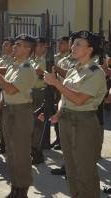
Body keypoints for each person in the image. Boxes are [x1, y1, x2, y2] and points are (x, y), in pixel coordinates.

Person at [44, 30, 106, 197]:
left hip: (84, 123)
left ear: (90, 49)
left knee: (85, 172)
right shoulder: (74, 69)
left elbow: (79, 100)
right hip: (66, 120)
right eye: (73, 43)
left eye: (78, 44)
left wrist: (55, 82)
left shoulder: (95, 72)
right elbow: (65, 97)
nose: (73, 47)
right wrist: (58, 113)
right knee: (71, 170)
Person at [0, 34, 37, 197]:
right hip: (9, 110)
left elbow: (10, 89)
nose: (14, 47)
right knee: (11, 152)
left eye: (18, 45)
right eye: (15, 44)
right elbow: (5, 91)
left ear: (27, 49)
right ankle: (15, 186)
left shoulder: (27, 68)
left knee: (21, 152)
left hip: (21, 112)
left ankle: (22, 189)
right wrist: (1, 104)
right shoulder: (14, 65)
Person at [0, 37, 14, 154]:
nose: (3, 46)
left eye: (6, 45)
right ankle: (2, 142)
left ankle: (6, 144)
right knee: (0, 120)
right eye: (3, 44)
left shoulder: (13, 60)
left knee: (6, 121)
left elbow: (6, 71)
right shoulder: (1, 58)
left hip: (8, 90)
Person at [29, 37, 47, 165]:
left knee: (38, 124)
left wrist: (42, 73)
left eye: (41, 46)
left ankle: (37, 151)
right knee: (31, 123)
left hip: (41, 92)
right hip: (32, 92)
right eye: (37, 46)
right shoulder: (33, 60)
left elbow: (51, 76)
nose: (39, 49)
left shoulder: (48, 60)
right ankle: (33, 149)